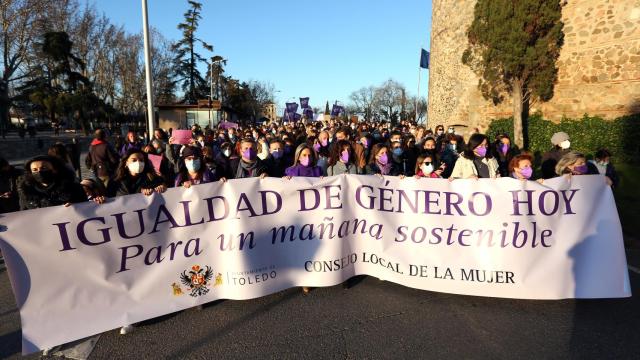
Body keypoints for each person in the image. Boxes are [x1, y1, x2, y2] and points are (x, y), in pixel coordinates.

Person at [17, 155, 88, 210]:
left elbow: (86, 207)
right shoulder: (26, 191)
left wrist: (75, 206)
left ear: (55, 169)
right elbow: (23, 212)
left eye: (43, 168)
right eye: (34, 170)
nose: (39, 172)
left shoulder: (72, 187)